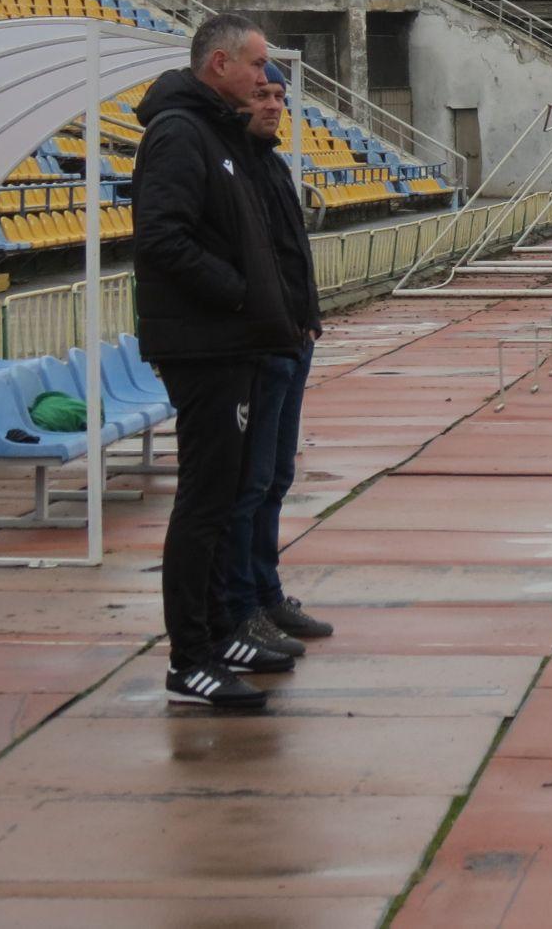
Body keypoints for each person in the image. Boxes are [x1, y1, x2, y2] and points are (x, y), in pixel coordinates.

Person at [132, 13, 302, 710]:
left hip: (230, 342)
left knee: (228, 494)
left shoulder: (217, 133)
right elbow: (161, 239)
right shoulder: (178, 134)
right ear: (219, 66)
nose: (266, 77)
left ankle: (223, 631)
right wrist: (236, 296)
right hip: (204, 347)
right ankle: (190, 660)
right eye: (257, 64)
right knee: (205, 503)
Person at [219, 63, 334, 665]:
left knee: (277, 478)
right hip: (262, 345)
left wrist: (308, 315)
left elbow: (291, 255)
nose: (272, 106)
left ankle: (267, 591)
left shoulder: (272, 162)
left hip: (293, 338)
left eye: (279, 97)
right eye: (261, 95)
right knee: (252, 483)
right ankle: (245, 606)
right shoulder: (233, 164)